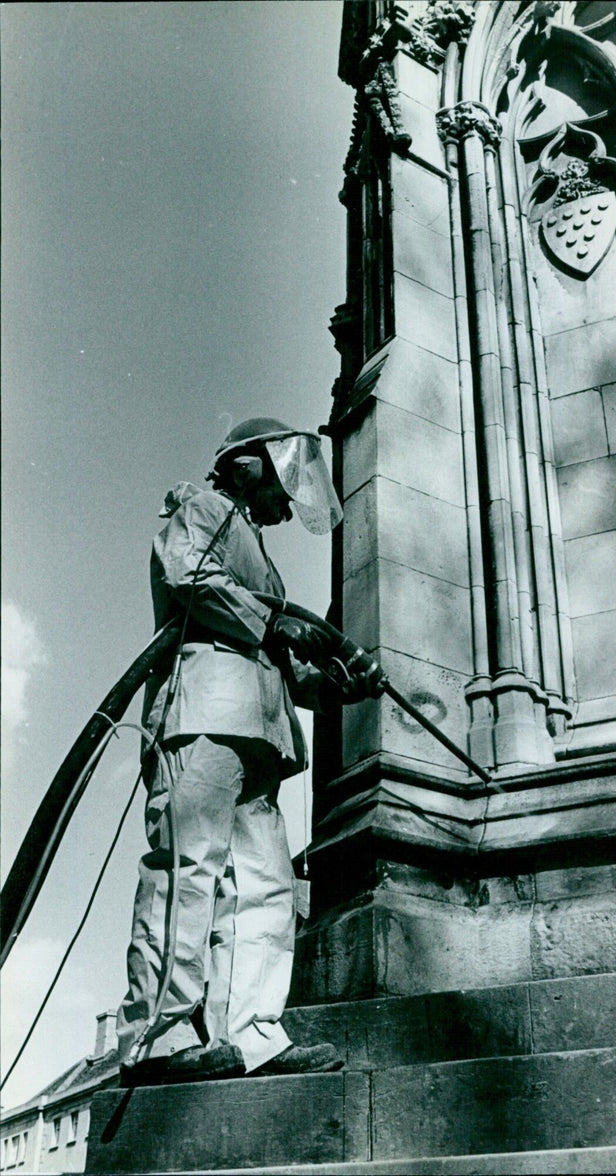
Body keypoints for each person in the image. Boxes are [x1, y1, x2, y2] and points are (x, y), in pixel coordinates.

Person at [117, 418, 380, 1086]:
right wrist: (278, 621)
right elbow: (191, 580)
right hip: (203, 716)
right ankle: (158, 1038)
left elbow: (284, 668)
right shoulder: (203, 509)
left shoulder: (257, 550)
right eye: (282, 482)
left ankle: (254, 1036)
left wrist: (342, 686)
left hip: (259, 738)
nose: (289, 503)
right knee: (187, 869)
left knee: (266, 886)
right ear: (245, 467)